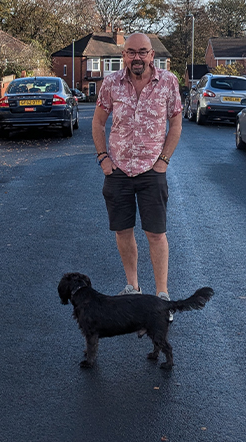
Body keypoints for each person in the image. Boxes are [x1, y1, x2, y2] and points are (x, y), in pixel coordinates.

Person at [92, 32, 183, 314]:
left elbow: (176, 124)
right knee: (123, 230)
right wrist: (103, 159)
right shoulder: (111, 83)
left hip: (151, 170)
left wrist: (163, 161)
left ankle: (162, 296)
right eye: (131, 52)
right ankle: (133, 286)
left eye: (143, 52)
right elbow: (98, 122)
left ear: (152, 55)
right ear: (124, 55)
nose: (137, 57)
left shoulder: (168, 82)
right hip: (118, 170)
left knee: (156, 233)